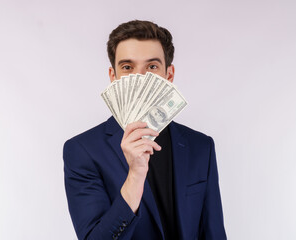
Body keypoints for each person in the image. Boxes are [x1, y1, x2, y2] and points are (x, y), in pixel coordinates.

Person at [63, 20, 227, 240]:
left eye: (151, 67)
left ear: (169, 76)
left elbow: (213, 233)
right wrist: (135, 176)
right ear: (114, 77)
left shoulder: (200, 146)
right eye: (128, 67)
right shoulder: (82, 151)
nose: (140, 79)